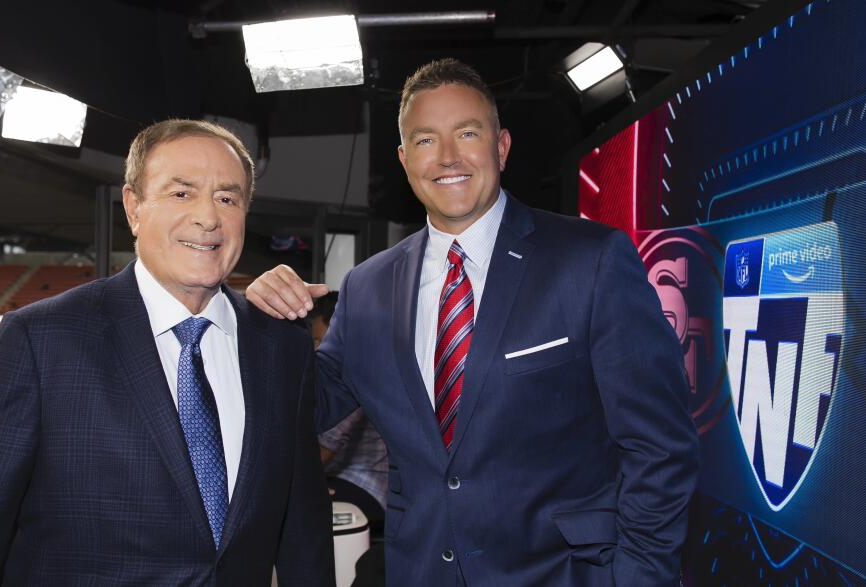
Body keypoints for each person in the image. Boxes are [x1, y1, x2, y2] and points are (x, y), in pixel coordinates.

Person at [247, 59, 698, 586]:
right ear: (403, 158)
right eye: (425, 140)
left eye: (467, 133)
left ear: (501, 147)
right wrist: (260, 321)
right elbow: (309, 405)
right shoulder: (368, 286)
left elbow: (660, 446)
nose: (448, 158)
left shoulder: (590, 261)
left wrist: (640, 579)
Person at [0, 120, 334, 586]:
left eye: (227, 198)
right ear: (133, 208)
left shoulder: (282, 347)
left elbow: (302, 529)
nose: (208, 217)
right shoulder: (43, 339)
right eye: (181, 193)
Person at [311, 293, 388, 533]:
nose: (316, 349)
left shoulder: (353, 373)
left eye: (321, 340)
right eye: (313, 340)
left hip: (364, 486)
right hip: (341, 478)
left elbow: (325, 448)